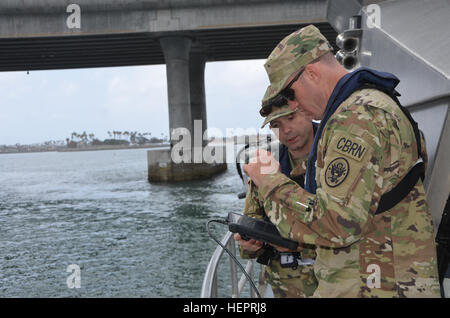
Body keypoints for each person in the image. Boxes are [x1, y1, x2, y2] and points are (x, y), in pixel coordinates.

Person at [243, 24, 441, 297]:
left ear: (310, 73)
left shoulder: (355, 118)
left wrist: (268, 181)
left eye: (290, 95)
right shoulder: (376, 104)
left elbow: (337, 224)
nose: (293, 105)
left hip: (372, 283)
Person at [235, 90, 318, 297]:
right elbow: (246, 246)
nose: (286, 130)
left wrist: (292, 244)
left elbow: (348, 227)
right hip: (286, 288)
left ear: (308, 112)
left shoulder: (338, 158)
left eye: (291, 118)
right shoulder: (265, 167)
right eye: (276, 125)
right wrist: (250, 244)